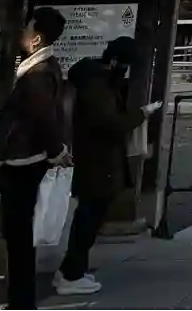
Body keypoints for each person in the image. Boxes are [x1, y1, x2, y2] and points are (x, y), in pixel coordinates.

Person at [55, 37, 161, 297]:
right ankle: (71, 274)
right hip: (98, 160)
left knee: (90, 216)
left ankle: (72, 269)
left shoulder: (96, 81)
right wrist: (140, 115)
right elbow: (111, 123)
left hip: (97, 158)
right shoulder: (97, 86)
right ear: (114, 61)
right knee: (89, 218)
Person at [0, 7, 68, 311]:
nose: (22, 32)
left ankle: (21, 301)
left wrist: (56, 151)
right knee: (19, 234)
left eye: (27, 27)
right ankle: (21, 299)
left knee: (18, 235)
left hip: (24, 162)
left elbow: (43, 118)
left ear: (37, 38)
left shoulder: (38, 74)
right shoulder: (42, 68)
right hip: (27, 159)